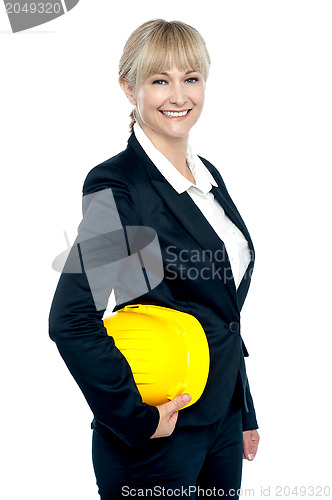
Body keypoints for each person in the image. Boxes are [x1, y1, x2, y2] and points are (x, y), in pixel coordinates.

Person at [49, 19, 260, 499]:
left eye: (191, 78)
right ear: (129, 88)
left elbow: (221, 310)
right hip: (159, 433)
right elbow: (71, 319)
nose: (178, 95)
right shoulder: (118, 185)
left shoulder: (208, 179)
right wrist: (135, 418)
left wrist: (242, 409)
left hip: (221, 422)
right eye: (159, 80)